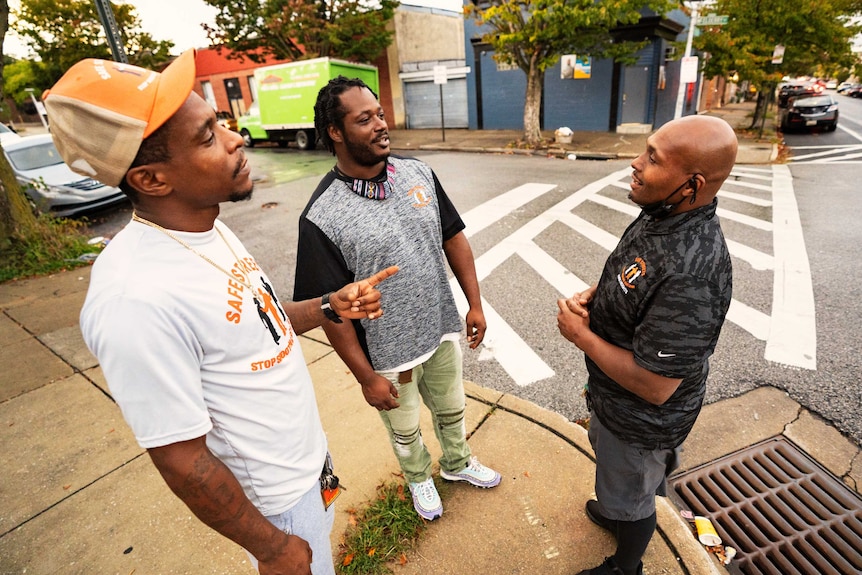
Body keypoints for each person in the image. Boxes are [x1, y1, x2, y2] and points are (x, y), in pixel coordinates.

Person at [44, 52, 398, 575]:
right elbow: (181, 459)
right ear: (153, 180)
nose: (236, 139)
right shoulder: (133, 300)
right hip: (274, 502)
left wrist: (328, 305)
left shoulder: (203, 223)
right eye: (207, 136)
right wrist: (273, 548)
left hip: (305, 464)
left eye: (220, 124)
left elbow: (262, 319)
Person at [293, 76, 501, 522]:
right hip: (389, 353)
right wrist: (365, 376)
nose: (380, 125)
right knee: (405, 430)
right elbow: (331, 312)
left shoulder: (418, 172)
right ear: (335, 131)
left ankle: (459, 464)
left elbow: (454, 237)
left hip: (441, 327)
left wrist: (475, 303)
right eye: (364, 119)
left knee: (452, 408)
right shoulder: (320, 217)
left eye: (380, 114)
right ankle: (419, 479)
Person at [556, 115, 736, 575]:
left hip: (641, 423)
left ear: (691, 185)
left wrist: (581, 336)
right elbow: (634, 275)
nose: (635, 164)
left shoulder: (691, 274)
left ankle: (626, 562)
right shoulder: (663, 211)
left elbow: (656, 386)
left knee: (635, 494)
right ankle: (621, 506)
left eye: (653, 159)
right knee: (623, 482)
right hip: (614, 403)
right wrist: (598, 296)